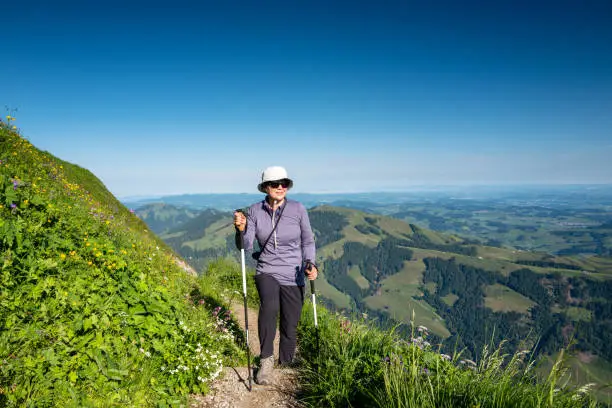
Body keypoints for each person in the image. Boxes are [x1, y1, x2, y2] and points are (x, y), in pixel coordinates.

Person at [233, 166, 318, 385]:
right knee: (269, 307)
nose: (280, 187)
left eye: (284, 183)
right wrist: (240, 230)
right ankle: (266, 360)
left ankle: (287, 362)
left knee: (290, 323)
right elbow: (246, 245)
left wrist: (311, 263)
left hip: (295, 273)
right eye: (275, 184)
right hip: (267, 269)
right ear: (265, 188)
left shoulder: (298, 209)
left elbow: (308, 240)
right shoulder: (254, 211)